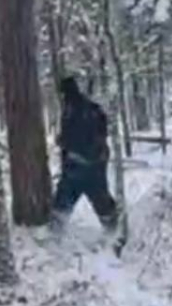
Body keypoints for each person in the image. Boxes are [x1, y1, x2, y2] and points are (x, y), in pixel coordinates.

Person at [51, 77, 120, 232]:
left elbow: (74, 139)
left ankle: (54, 237)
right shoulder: (93, 108)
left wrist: (62, 141)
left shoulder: (72, 111)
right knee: (101, 200)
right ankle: (115, 231)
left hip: (79, 165)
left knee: (63, 201)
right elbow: (103, 131)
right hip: (96, 164)